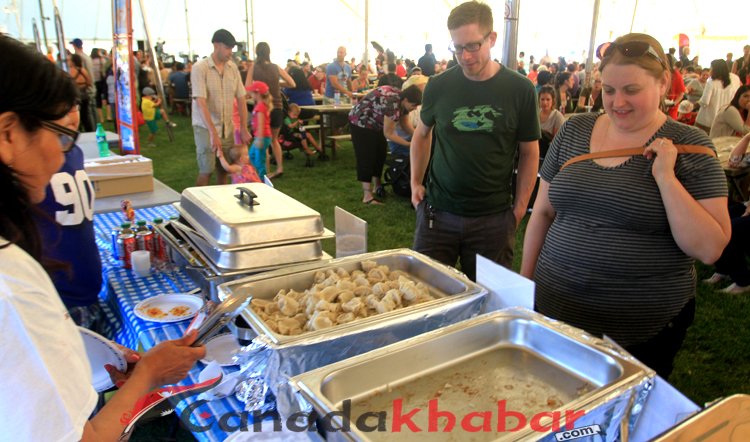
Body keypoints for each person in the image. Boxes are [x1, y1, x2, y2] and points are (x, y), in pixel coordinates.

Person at [0, 34, 206, 442]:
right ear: (8, 132)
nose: (64, 156)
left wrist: (87, 351)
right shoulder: (10, 286)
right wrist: (147, 375)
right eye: (60, 135)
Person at [520, 33, 731, 379]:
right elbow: (542, 213)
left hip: (640, 333)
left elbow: (709, 248)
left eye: (631, 90)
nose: (617, 102)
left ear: (663, 83)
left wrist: (665, 176)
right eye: (608, 90)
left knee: (620, 424)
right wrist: (525, 285)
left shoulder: (692, 146)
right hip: (553, 310)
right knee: (552, 405)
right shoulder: (573, 130)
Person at [411, 0, 541, 281]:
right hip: (437, 213)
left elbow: (530, 153)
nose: (465, 56)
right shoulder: (438, 86)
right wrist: (414, 182)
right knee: (424, 295)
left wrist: (518, 210)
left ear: (491, 39)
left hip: (493, 219)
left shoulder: (521, 89)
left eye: (472, 45)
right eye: (457, 47)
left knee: (488, 302)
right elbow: (421, 135)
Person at [349, 85, 422, 205]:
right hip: (360, 122)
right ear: (405, 100)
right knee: (367, 157)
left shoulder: (403, 101)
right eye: (413, 105)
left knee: (380, 154)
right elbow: (389, 134)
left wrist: (416, 136)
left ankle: (377, 187)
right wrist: (409, 144)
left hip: (376, 124)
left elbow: (404, 122)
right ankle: (367, 196)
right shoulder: (392, 103)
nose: (414, 109)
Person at [247, 41, 296, 180]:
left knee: (262, 139)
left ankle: (266, 172)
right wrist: (277, 83)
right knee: (274, 140)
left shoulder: (253, 68)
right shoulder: (276, 67)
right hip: (277, 107)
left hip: (262, 109)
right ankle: (280, 167)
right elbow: (292, 83)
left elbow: (247, 86)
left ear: (257, 52)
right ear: (269, 52)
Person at [695, 59, 741, 133]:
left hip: (707, 120)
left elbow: (705, 102)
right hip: (727, 119)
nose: (710, 72)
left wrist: (697, 103)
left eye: (711, 69)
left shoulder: (711, 83)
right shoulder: (735, 78)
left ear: (715, 70)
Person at [389, 75, 429, 157]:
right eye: (421, 91)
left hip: (413, 139)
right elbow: (404, 124)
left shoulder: (417, 104)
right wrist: (412, 141)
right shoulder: (400, 105)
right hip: (401, 142)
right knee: (422, 154)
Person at [248, 80, 272, 179]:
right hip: (260, 136)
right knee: (251, 155)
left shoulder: (260, 107)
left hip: (262, 136)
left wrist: (260, 139)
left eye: (252, 92)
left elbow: (261, 124)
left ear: (258, 94)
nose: (250, 94)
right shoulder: (260, 105)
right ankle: (258, 176)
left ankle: (263, 181)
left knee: (259, 160)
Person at [68, 54, 96, 132]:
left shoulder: (70, 71)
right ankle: (90, 130)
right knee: (86, 115)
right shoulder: (83, 70)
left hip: (76, 95)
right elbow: (89, 82)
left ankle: (78, 130)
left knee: (76, 114)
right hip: (85, 95)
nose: (68, 62)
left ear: (73, 62)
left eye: (69, 60)